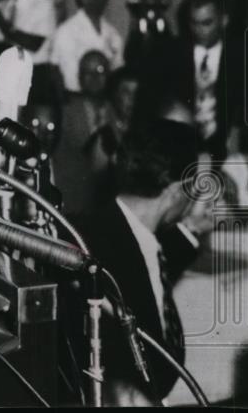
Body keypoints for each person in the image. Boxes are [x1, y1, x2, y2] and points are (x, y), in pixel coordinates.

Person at [66, 118, 211, 406]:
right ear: (177, 190)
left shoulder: (123, 231)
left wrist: (191, 227)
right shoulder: (91, 250)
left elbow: (145, 276)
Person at [171, 0, 243, 160]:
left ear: (224, 20)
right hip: (182, 152)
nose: (199, 30)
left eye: (207, 23)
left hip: (227, 154)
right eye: (193, 23)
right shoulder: (173, 55)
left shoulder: (240, 58)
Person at [52, 50, 111, 214]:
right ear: (79, 77)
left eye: (100, 71)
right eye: (88, 72)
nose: (94, 77)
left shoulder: (117, 110)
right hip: (73, 205)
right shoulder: (64, 112)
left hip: (108, 208)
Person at [51, 0, 123, 93]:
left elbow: (117, 72)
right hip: (75, 97)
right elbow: (66, 75)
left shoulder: (113, 34)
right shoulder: (67, 31)